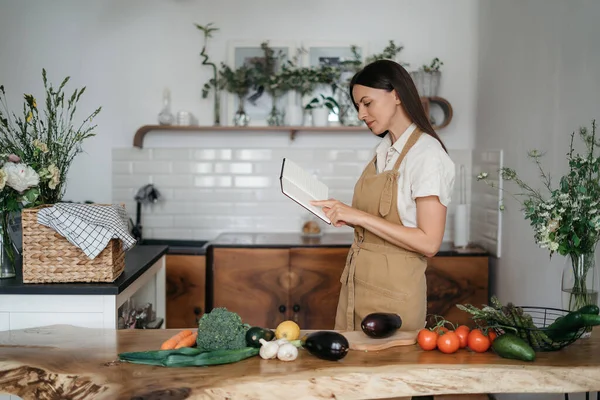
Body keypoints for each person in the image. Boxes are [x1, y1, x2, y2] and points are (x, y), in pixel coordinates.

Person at [311, 59, 455, 333]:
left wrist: (358, 216)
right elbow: (380, 221)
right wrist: (343, 214)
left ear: (397, 95)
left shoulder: (427, 155)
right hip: (358, 288)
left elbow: (429, 242)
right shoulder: (384, 149)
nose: (361, 114)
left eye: (367, 103)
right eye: (357, 106)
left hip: (394, 298)